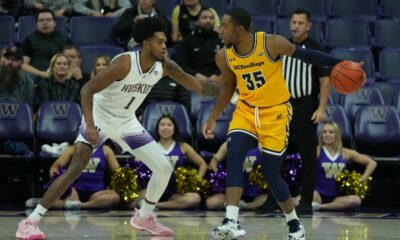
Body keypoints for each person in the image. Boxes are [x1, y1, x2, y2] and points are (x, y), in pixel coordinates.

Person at [16, 17, 220, 239]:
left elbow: (200, 86)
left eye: (165, 41)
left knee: (163, 167)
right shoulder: (125, 63)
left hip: (126, 122)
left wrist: (227, 89)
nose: (164, 46)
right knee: (76, 168)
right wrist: (91, 126)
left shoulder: (165, 67)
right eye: (159, 42)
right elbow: (87, 90)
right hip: (99, 117)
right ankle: (30, 221)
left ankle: (144, 216)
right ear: (145, 44)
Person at [202, 7, 358, 240]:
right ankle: (231, 221)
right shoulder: (223, 56)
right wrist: (214, 115)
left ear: (240, 29)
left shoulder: (271, 44)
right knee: (234, 155)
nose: (219, 28)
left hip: (275, 113)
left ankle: (294, 222)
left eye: (224, 25)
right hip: (245, 111)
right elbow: (228, 87)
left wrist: (340, 64)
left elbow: (307, 56)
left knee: (271, 174)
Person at [257, 9, 331, 215]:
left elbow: (325, 80)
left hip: (305, 106)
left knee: (308, 155)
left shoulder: (316, 48)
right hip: (281, 106)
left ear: (308, 26)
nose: (295, 25)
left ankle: (306, 201)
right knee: (275, 153)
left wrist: (321, 108)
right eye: (293, 22)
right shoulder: (282, 46)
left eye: (300, 22)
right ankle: (274, 200)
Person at [131, 115, 208, 209]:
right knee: (134, 200)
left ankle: (156, 206)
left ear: (174, 128)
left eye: (169, 125)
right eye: (162, 125)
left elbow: (202, 164)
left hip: (174, 193)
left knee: (195, 198)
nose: (165, 128)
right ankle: (154, 204)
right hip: (152, 190)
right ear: (157, 128)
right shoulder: (149, 146)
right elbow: (135, 162)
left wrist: (196, 180)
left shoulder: (182, 146)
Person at [26, 142, 121, 209]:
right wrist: (57, 181)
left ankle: (80, 205)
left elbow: (119, 173)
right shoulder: (73, 148)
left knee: (115, 197)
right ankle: (44, 202)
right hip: (74, 191)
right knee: (71, 196)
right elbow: (55, 167)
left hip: (96, 194)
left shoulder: (106, 150)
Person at [312, 121, 377, 211]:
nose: (327, 134)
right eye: (324, 132)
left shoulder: (345, 152)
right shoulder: (317, 151)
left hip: (337, 197)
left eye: (331, 132)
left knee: (356, 200)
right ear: (321, 135)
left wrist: (363, 178)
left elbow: (372, 163)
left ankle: (320, 207)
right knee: (310, 194)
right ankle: (325, 206)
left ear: (337, 135)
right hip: (318, 194)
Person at [206, 142, 268, 210]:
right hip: (231, 192)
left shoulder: (263, 145)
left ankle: (243, 206)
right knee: (211, 203)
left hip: (255, 192)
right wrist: (221, 176)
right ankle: (232, 204)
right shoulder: (229, 143)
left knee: (266, 201)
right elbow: (212, 164)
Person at [21, 9, 74, 79]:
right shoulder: (29, 40)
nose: (45, 23)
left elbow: (72, 62)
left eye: (48, 20)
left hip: (61, 75)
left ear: (55, 23)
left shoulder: (65, 39)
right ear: (36, 24)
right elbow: (24, 65)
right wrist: (41, 74)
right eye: (41, 20)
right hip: (37, 76)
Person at [175, 8, 223, 84]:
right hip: (193, 82)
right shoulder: (187, 41)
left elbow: (227, 64)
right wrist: (195, 75)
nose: (208, 21)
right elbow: (180, 64)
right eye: (204, 18)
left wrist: (216, 75)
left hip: (218, 81)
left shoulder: (221, 42)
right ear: (197, 22)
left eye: (211, 18)